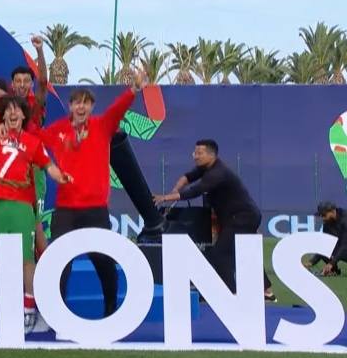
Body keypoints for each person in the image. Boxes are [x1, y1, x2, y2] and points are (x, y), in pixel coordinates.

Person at [40, 71, 146, 317]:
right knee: (60, 261)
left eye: (86, 103)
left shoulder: (102, 126)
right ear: (70, 106)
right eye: (77, 102)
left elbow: (118, 109)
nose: (81, 107)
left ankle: (110, 308)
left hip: (95, 209)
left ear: (92, 107)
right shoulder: (57, 130)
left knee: (103, 260)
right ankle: (57, 312)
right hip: (65, 209)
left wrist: (134, 89)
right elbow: (33, 141)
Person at [0, 95, 70, 333]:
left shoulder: (32, 142)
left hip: (22, 207)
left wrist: (61, 176)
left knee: (26, 259)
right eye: (8, 110)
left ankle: (29, 310)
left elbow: (48, 165)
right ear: (2, 115)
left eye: (17, 110)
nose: (13, 114)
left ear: (24, 115)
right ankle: (10, 309)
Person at [153, 139, 276, 299]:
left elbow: (194, 191)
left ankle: (231, 293)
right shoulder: (205, 168)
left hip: (242, 217)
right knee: (245, 253)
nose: (195, 156)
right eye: (195, 153)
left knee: (220, 253)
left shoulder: (217, 173)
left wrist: (165, 198)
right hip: (240, 217)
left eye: (200, 153)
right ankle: (266, 290)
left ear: (211, 155)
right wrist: (174, 190)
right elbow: (187, 178)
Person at [304, 202, 347, 276]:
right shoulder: (327, 223)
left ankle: (330, 267)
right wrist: (311, 262)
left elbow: (344, 245)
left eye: (324, 215)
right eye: (320, 215)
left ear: (333, 211)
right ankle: (333, 270)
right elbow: (325, 245)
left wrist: (331, 263)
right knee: (326, 247)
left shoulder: (345, 218)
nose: (322, 218)